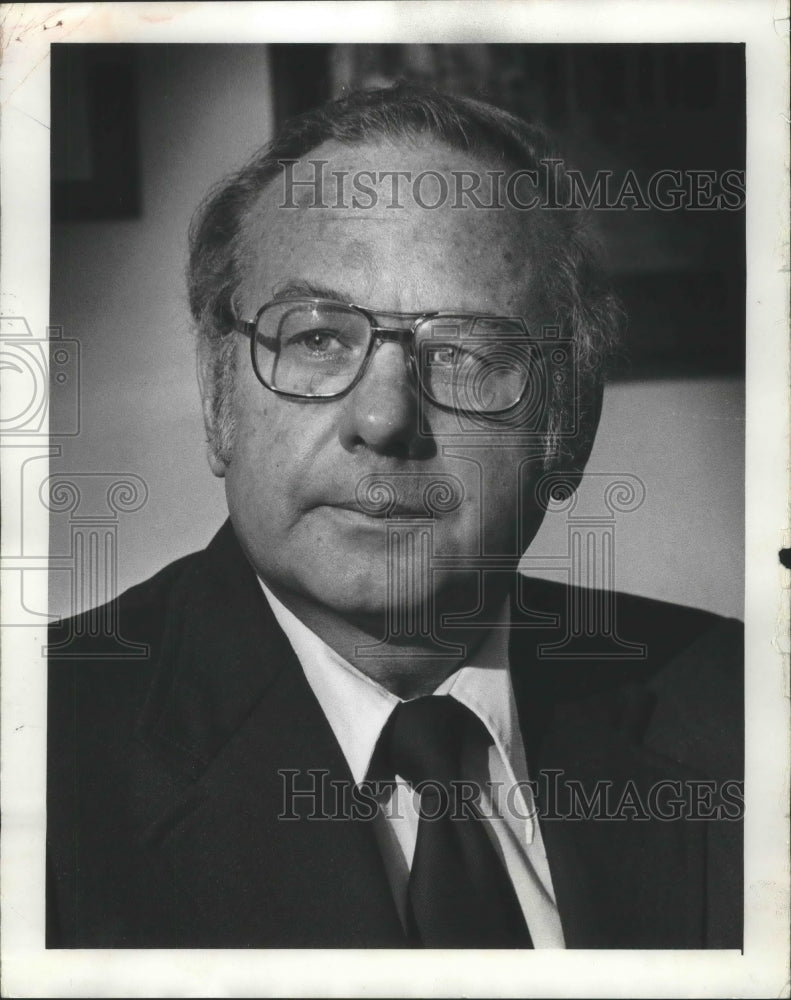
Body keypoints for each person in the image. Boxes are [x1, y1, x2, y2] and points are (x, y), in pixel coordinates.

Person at [46, 84, 742, 949]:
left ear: (569, 428)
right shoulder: (41, 754)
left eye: (463, 354)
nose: (382, 420)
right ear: (218, 399)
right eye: (316, 338)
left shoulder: (743, 708)